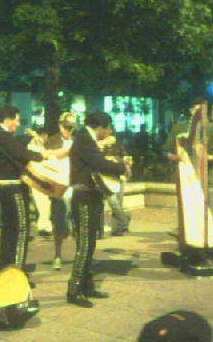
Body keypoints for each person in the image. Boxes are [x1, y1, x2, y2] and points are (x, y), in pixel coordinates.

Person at [67, 112, 129, 308]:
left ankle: (87, 285)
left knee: (91, 242)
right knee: (85, 244)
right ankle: (74, 289)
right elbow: (97, 162)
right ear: (100, 127)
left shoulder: (87, 138)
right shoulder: (84, 138)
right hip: (83, 196)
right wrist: (121, 167)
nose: (108, 132)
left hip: (91, 195)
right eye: (107, 128)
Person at [162, 99, 213, 276]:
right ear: (192, 110)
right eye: (198, 110)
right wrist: (176, 158)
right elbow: (166, 151)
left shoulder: (212, 129)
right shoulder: (179, 128)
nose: (202, 114)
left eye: (204, 110)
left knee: (207, 216)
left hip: (206, 180)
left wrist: (204, 156)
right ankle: (189, 251)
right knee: (188, 216)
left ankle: (210, 253)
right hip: (187, 178)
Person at [0, 105, 46, 278]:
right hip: (12, 186)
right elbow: (22, 154)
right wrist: (44, 156)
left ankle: (5, 269)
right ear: (7, 120)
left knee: (9, 228)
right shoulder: (3, 136)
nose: (18, 124)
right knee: (21, 228)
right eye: (16, 120)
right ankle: (17, 274)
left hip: (1, 186)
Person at [45, 112, 76, 270]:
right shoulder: (52, 141)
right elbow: (46, 160)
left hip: (74, 185)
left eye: (71, 127)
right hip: (58, 186)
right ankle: (57, 255)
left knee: (78, 222)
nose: (68, 130)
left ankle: (80, 255)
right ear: (60, 125)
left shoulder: (78, 141)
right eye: (66, 127)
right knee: (58, 223)